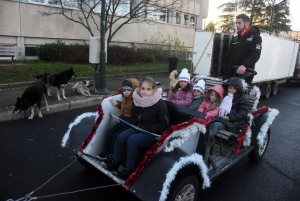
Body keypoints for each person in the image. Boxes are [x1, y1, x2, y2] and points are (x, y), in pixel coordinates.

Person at [102, 77, 170, 180]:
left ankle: (129, 169)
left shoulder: (160, 104)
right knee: (121, 136)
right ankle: (115, 161)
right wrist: (135, 123)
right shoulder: (137, 100)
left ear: (154, 90)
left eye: (148, 89)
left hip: (152, 133)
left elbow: (165, 125)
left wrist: (146, 127)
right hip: (138, 127)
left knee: (132, 140)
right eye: (142, 89)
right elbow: (134, 116)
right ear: (139, 89)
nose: (145, 92)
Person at [97, 78, 139, 161]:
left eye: (129, 90)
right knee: (110, 132)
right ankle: (106, 151)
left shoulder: (136, 101)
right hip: (123, 121)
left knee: (117, 136)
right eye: (124, 90)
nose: (126, 92)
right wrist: (117, 104)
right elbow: (124, 106)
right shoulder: (125, 99)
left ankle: (112, 155)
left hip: (130, 124)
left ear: (134, 90)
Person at [222, 13, 262, 84]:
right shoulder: (236, 38)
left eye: (239, 23)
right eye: (236, 23)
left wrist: (244, 65)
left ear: (246, 24)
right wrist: (225, 71)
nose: (237, 25)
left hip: (245, 74)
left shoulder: (256, 37)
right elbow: (228, 56)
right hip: (230, 74)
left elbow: (255, 54)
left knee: (239, 94)